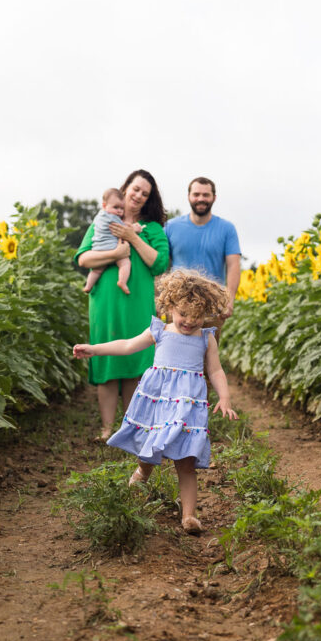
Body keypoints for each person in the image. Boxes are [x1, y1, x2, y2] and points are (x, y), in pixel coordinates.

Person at [72, 269, 238, 535]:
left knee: (186, 459)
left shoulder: (207, 338)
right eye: (183, 315)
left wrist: (225, 397)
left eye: (197, 317)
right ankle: (136, 487)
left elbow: (216, 371)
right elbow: (126, 345)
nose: (189, 322)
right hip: (159, 401)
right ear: (170, 306)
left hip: (187, 404)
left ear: (206, 313)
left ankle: (189, 516)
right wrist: (94, 349)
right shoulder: (159, 331)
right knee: (148, 454)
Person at [75, 169, 170, 441]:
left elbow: (159, 263)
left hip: (138, 302)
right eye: (135, 188)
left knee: (134, 363)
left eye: (145, 193)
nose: (138, 195)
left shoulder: (152, 229)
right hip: (104, 302)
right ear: (126, 188)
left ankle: (131, 428)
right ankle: (106, 429)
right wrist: (115, 253)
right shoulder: (103, 220)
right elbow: (84, 259)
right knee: (105, 362)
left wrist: (132, 237)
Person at [164, 177, 241, 328]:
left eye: (206, 195)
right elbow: (160, 264)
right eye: (196, 194)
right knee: (174, 350)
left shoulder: (227, 229)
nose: (201, 199)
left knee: (209, 349)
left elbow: (233, 265)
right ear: (189, 196)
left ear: (214, 198)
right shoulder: (170, 227)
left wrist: (230, 299)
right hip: (177, 305)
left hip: (212, 306)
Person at [82, 187, 142, 294]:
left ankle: (88, 286)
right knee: (125, 264)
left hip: (98, 248)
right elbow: (124, 229)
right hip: (112, 246)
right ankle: (122, 281)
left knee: (97, 270)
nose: (119, 211)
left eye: (121, 208)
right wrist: (135, 229)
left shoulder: (99, 216)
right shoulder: (112, 217)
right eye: (116, 207)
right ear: (104, 206)